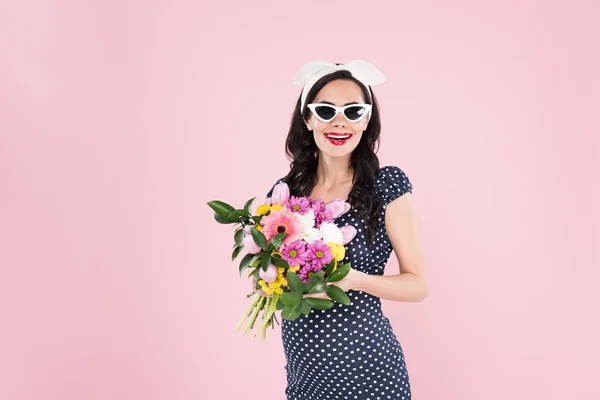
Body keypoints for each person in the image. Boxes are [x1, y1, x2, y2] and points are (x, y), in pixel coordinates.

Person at [259, 60, 428, 400]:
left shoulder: (386, 185)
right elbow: (268, 274)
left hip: (368, 371)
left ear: (366, 120)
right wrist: (265, 282)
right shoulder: (286, 191)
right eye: (325, 110)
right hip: (304, 371)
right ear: (307, 119)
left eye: (353, 111)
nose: (339, 122)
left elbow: (418, 285)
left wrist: (353, 281)